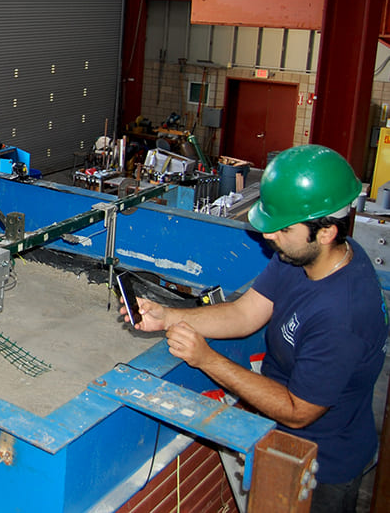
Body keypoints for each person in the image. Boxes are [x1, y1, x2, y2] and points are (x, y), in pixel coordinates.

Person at [123, 145, 388, 513]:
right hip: (277, 438)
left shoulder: (343, 314)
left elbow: (298, 410)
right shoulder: (300, 256)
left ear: (326, 231)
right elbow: (246, 314)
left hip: (319, 467)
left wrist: (207, 359)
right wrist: (167, 316)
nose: (270, 235)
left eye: (284, 228)